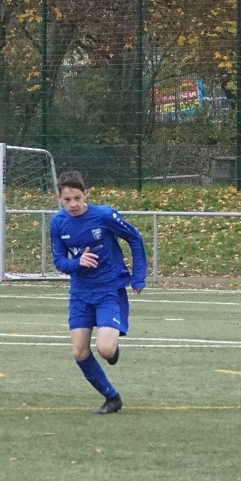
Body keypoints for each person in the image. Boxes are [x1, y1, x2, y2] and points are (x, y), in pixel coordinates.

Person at [50, 171, 147, 414]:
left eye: (77, 198)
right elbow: (59, 260)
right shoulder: (57, 223)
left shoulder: (104, 215)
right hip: (80, 294)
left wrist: (138, 276)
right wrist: (78, 263)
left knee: (105, 350)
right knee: (79, 351)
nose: (73, 204)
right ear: (59, 199)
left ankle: (111, 349)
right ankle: (112, 398)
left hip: (108, 290)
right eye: (67, 200)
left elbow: (135, 238)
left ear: (86, 194)